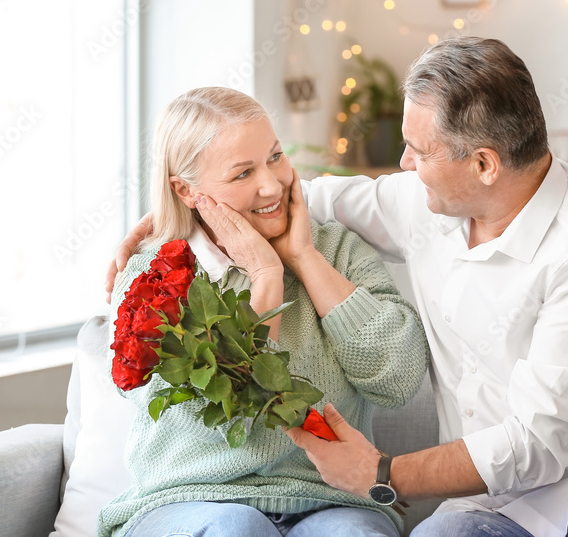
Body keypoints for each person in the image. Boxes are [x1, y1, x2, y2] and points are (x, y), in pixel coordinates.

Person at [107, 38, 568, 537]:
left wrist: (382, 470)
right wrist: (168, 221)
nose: (402, 163)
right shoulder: (432, 198)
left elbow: (535, 444)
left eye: (418, 150)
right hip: (497, 503)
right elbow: (298, 194)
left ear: (485, 165)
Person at [100, 87, 429, 537]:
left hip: (330, 497)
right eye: (242, 173)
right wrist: (265, 277)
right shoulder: (152, 279)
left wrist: (306, 259)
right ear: (186, 190)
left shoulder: (339, 250)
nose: (272, 184)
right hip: (191, 498)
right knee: (234, 529)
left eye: (275, 156)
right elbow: (220, 420)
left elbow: (398, 380)